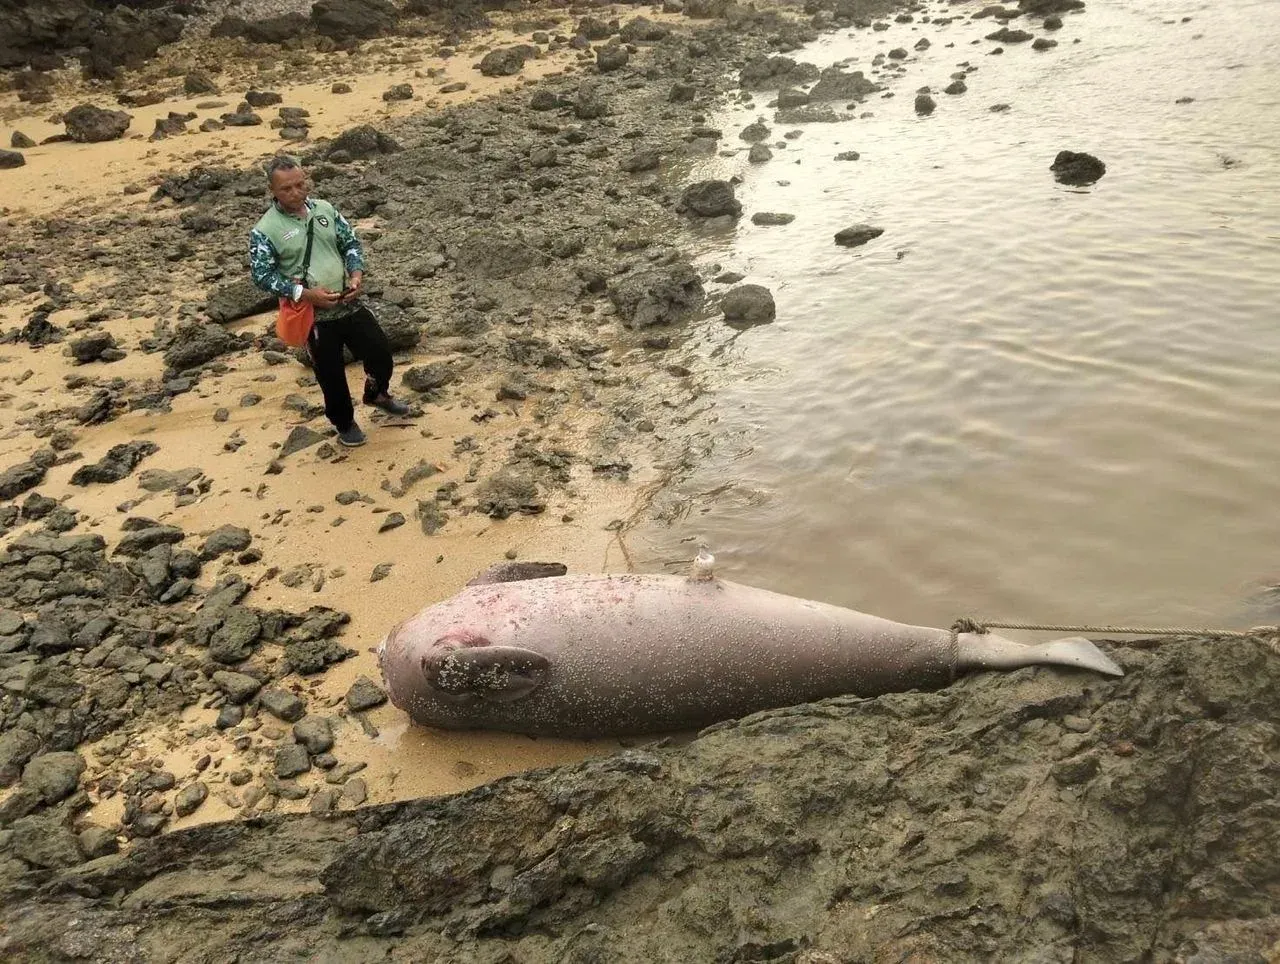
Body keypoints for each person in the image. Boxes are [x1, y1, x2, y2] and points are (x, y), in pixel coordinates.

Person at [248, 154, 410, 447]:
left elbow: (350, 243)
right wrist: (306, 294)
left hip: (347, 301)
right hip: (313, 315)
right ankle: (344, 423)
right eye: (286, 188)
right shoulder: (265, 230)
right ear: (272, 190)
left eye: (300, 184)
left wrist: (356, 274)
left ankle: (377, 393)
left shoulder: (325, 209)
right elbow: (262, 276)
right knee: (330, 374)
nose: (296, 192)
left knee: (380, 352)